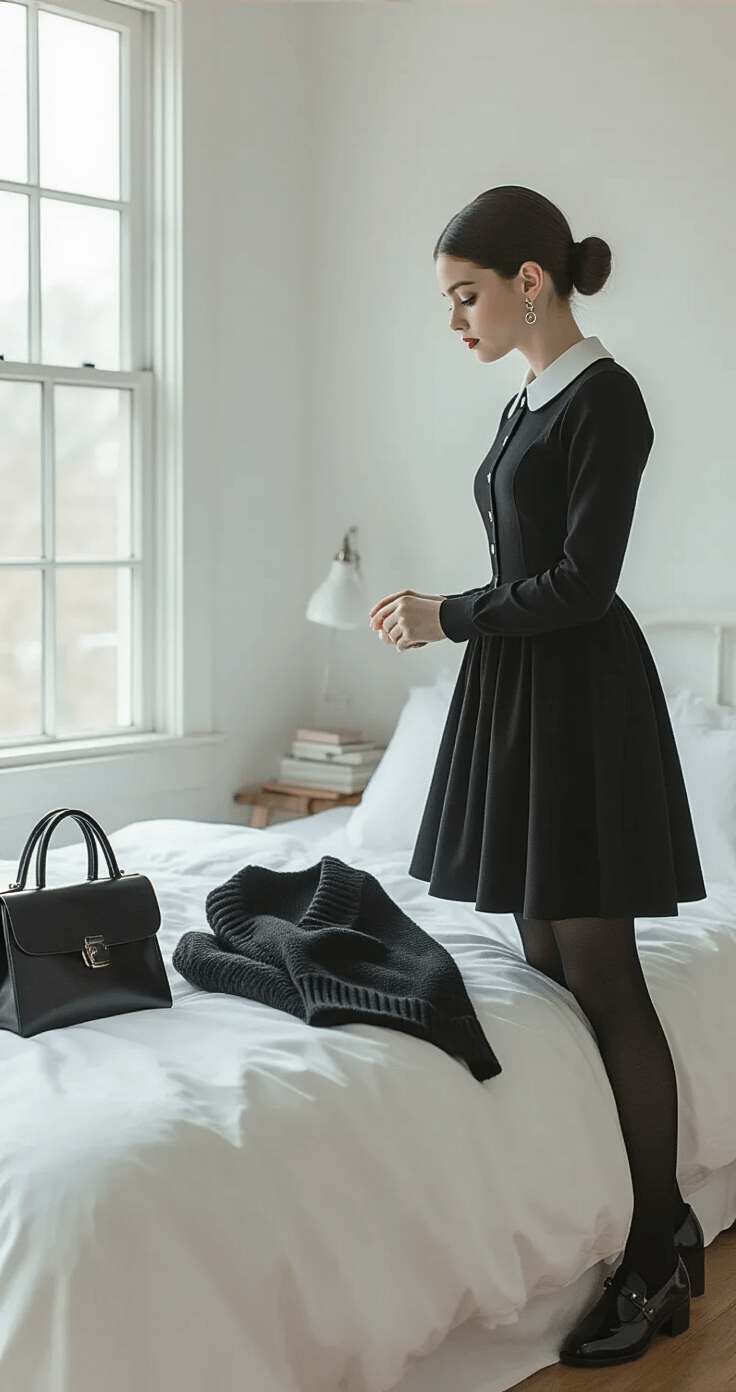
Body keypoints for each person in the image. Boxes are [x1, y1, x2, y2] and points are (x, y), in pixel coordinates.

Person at [368, 184, 707, 1369]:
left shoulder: (604, 397)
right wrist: (462, 622)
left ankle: (661, 1246)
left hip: (576, 700)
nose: (454, 318)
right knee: (548, 958)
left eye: (466, 294)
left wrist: (445, 613)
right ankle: (614, 1213)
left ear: (531, 281)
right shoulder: (527, 396)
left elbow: (581, 583)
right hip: (521, 694)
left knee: (600, 972)